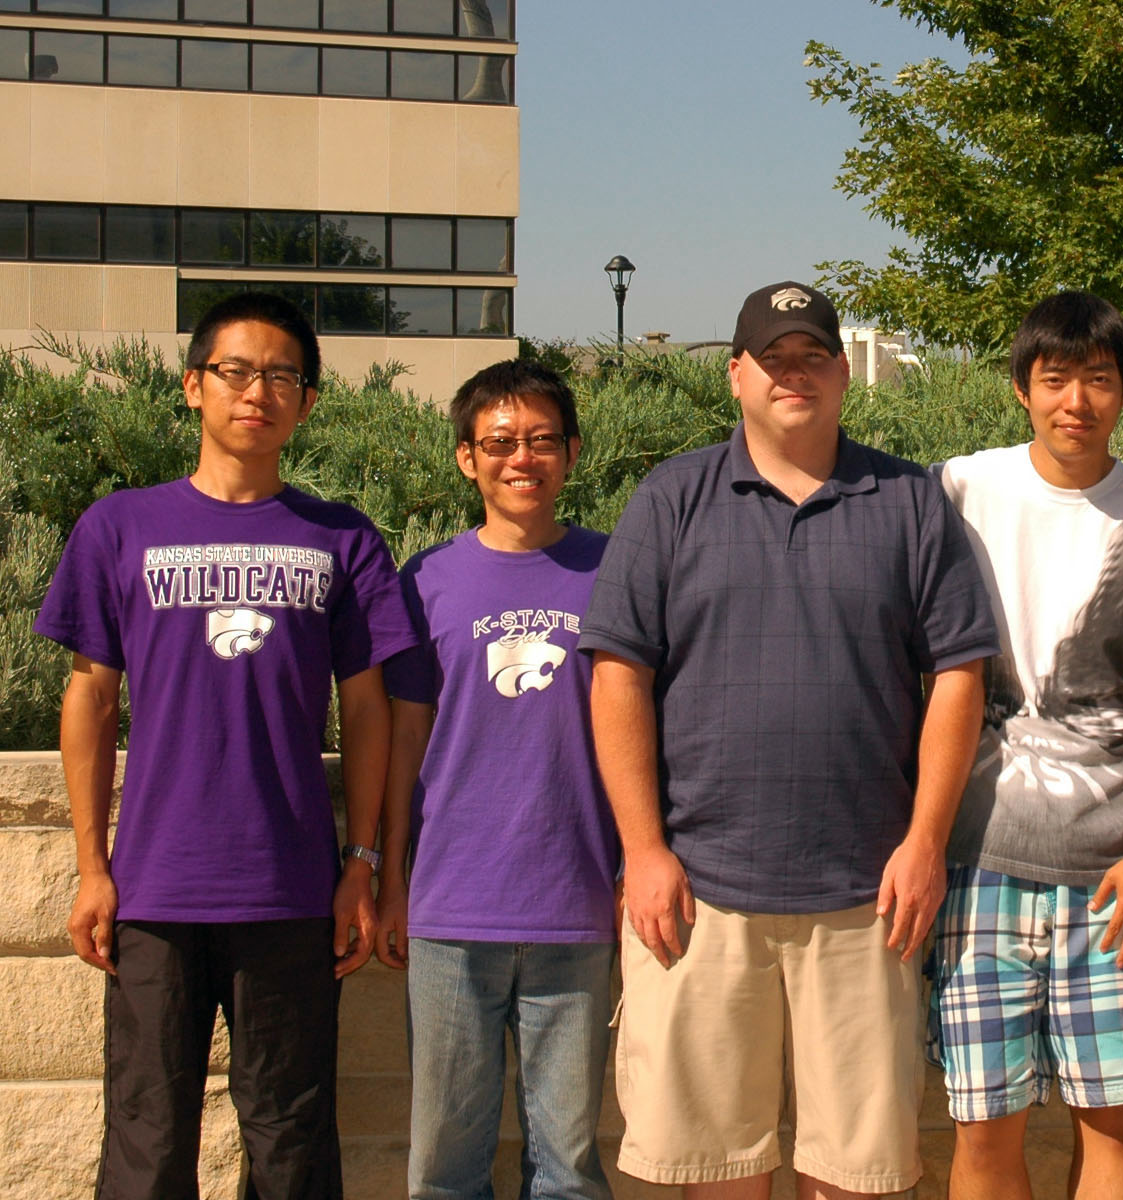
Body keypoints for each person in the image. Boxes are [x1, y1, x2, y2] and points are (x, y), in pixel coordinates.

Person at [579, 280, 1000, 1198]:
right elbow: (618, 677)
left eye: (813, 357)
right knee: (715, 1172)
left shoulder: (911, 500)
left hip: (868, 899)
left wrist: (925, 843)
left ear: (844, 374)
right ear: (736, 374)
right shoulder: (671, 498)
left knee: (856, 1176)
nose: (794, 374)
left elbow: (959, 677)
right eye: (774, 359)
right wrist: (643, 850)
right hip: (699, 898)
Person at [35, 290, 417, 1199]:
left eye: (282, 375)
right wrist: (92, 866)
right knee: (146, 1136)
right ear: (192, 385)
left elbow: (368, 709)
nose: (258, 391)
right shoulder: (119, 527)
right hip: (153, 889)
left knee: (290, 1138)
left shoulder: (342, 538)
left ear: (307, 401)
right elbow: (91, 696)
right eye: (236, 371)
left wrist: (361, 862)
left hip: (290, 889)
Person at [929, 291, 1123, 1200]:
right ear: (1021, 388)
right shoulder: (957, 490)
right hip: (976, 863)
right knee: (983, 1132)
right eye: (1055, 379)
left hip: (1113, 875)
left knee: (1113, 1126)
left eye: (1098, 379)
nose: (1076, 402)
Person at [376, 360, 619, 1199]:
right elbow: (406, 737)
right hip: (451, 908)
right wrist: (390, 877)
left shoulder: (615, 572)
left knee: (569, 1170)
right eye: (500, 442)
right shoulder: (425, 582)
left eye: (542, 440)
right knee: (444, 1169)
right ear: (467, 458)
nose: (522, 458)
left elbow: (647, 731)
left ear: (573, 453)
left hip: (578, 905)